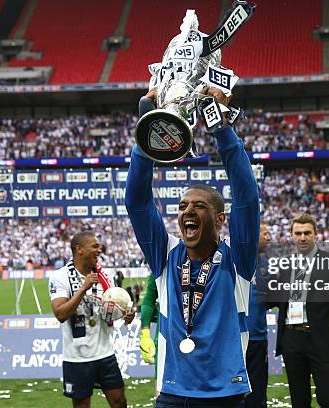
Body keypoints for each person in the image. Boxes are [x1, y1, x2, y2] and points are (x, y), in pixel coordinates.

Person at [125, 87, 260, 407]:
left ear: (220, 218)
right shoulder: (165, 255)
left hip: (224, 395)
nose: (187, 211)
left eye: (198, 206)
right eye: (183, 206)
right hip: (172, 394)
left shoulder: (237, 259)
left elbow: (247, 199)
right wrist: (148, 131)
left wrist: (222, 129)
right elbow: (137, 201)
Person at [273, 213, 329, 408]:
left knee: (328, 399)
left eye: (307, 233)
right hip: (292, 340)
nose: (302, 237)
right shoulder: (285, 265)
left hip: (322, 340)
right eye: (298, 233)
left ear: (315, 234)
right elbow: (275, 297)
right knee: (299, 400)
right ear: (291, 235)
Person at [49, 231, 135, 408]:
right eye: (94, 246)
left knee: (119, 401)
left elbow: (109, 313)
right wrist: (83, 289)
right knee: (82, 405)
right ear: (79, 249)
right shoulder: (60, 277)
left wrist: (125, 316)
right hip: (77, 358)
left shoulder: (105, 277)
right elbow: (60, 314)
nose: (99, 250)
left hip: (105, 353)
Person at [245, 222, 271, 408]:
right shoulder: (236, 260)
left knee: (258, 392)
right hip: (234, 338)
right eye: (265, 233)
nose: (268, 238)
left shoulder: (267, 263)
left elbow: (272, 297)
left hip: (258, 337)